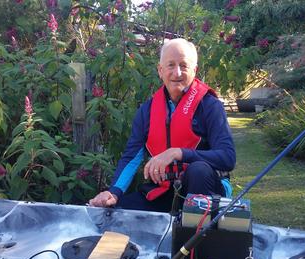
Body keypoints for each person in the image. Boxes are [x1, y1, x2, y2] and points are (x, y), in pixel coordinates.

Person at [88, 38, 236, 212]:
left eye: (184, 65)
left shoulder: (210, 106)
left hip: (206, 187)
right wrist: (113, 192)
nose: (177, 72)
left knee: (198, 171)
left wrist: (178, 153)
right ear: (160, 70)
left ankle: (201, 236)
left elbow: (227, 158)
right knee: (116, 213)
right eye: (171, 65)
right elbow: (131, 157)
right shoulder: (147, 111)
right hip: (165, 190)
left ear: (194, 70)